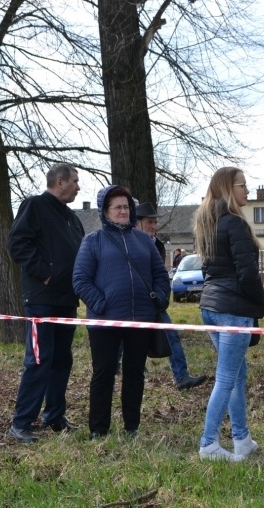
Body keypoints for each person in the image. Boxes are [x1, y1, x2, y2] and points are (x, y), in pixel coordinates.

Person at [73, 187, 171, 439]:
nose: (123, 211)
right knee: (104, 373)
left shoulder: (143, 241)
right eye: (117, 207)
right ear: (105, 211)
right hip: (104, 322)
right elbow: (81, 280)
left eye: (126, 207)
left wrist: (159, 300)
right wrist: (101, 304)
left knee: (135, 373)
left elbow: (160, 275)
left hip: (140, 319)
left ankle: (132, 427)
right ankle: (98, 429)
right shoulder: (92, 241)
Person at [6, 163, 85, 443]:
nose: (78, 186)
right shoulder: (35, 206)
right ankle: (22, 422)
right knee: (39, 360)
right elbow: (17, 243)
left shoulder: (72, 219)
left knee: (62, 359)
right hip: (41, 301)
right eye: (75, 181)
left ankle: (54, 417)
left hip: (67, 301)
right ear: (60, 181)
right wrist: (46, 275)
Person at [194, 167, 264, 461]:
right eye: (242, 185)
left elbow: (208, 271)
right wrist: (258, 306)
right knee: (226, 378)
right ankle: (209, 443)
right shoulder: (235, 224)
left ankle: (242, 438)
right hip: (232, 311)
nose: (246, 191)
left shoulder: (208, 222)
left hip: (210, 308)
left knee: (236, 375)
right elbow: (247, 273)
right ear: (227, 189)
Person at [135, 202, 207, 391]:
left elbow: (159, 274)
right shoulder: (128, 243)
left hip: (154, 302)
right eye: (149, 222)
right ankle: (126, 370)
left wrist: (161, 296)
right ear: (137, 223)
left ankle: (182, 377)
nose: (153, 226)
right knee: (128, 340)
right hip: (132, 303)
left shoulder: (157, 244)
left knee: (171, 335)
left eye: (155, 222)